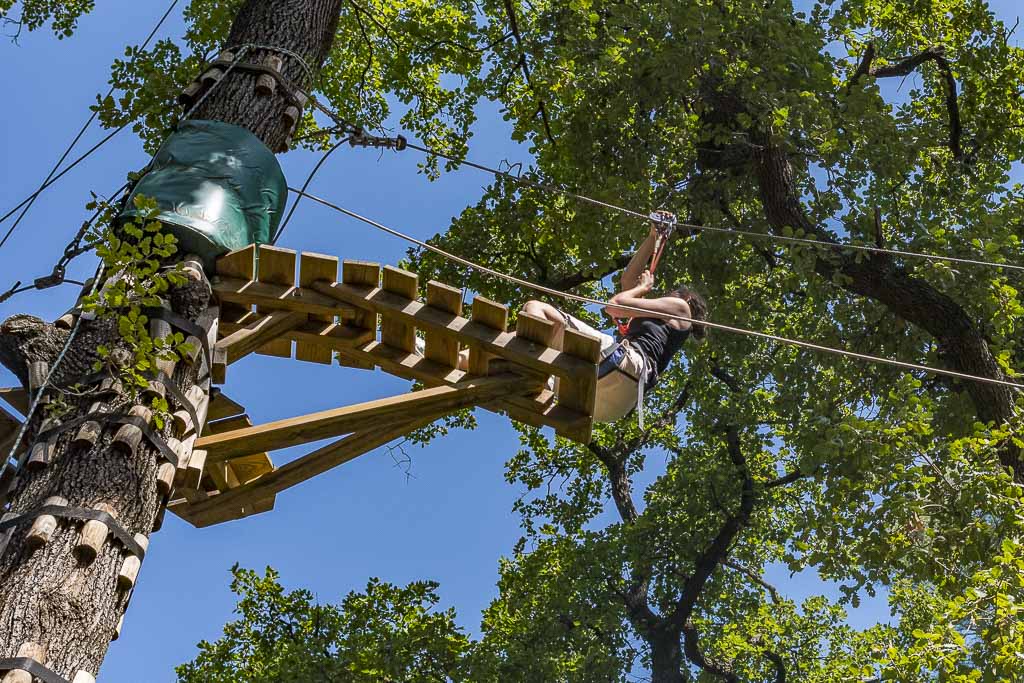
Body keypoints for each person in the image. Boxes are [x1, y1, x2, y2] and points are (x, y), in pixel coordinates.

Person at [517, 213, 708, 424]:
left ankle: (528, 368)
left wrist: (644, 288)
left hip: (625, 368)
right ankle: (525, 374)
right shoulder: (655, 321)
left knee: (535, 309)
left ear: (687, 298)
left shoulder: (681, 308)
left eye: (671, 292)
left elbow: (615, 306)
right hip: (607, 405)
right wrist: (653, 236)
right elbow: (628, 280)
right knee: (518, 344)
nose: (664, 296)